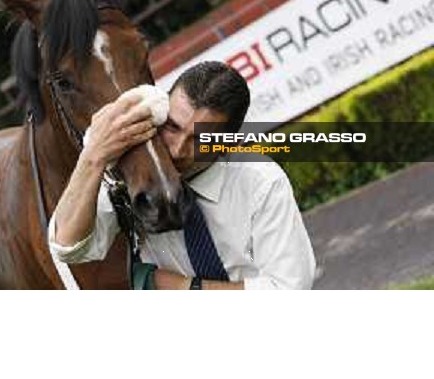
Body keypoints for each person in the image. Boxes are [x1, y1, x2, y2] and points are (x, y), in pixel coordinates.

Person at [48, 61, 316, 289]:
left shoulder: (262, 181)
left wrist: (182, 287)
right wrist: (93, 157)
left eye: (200, 139)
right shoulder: (135, 173)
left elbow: (288, 290)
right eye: (172, 127)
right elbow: (69, 248)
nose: (177, 150)